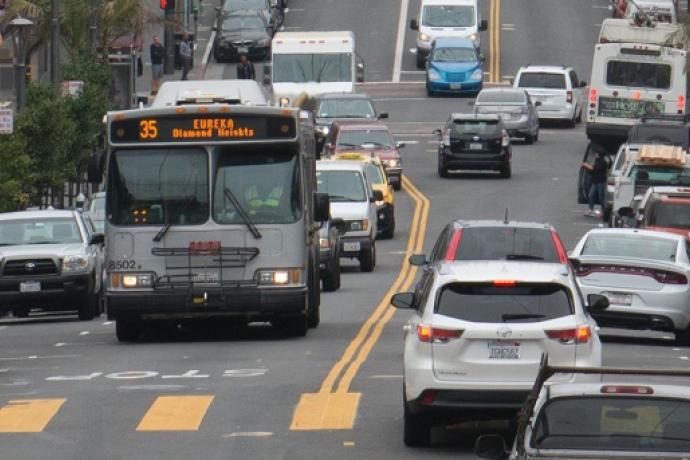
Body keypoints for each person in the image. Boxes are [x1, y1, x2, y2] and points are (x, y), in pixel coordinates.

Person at [582, 150, 608, 217]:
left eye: (596, 153)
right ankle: (590, 209)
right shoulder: (597, 161)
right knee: (591, 195)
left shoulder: (603, 162)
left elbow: (594, 169)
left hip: (600, 182)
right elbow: (592, 170)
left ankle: (603, 212)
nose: (595, 155)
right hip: (595, 181)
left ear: (599, 155)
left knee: (601, 197)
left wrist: (586, 165)